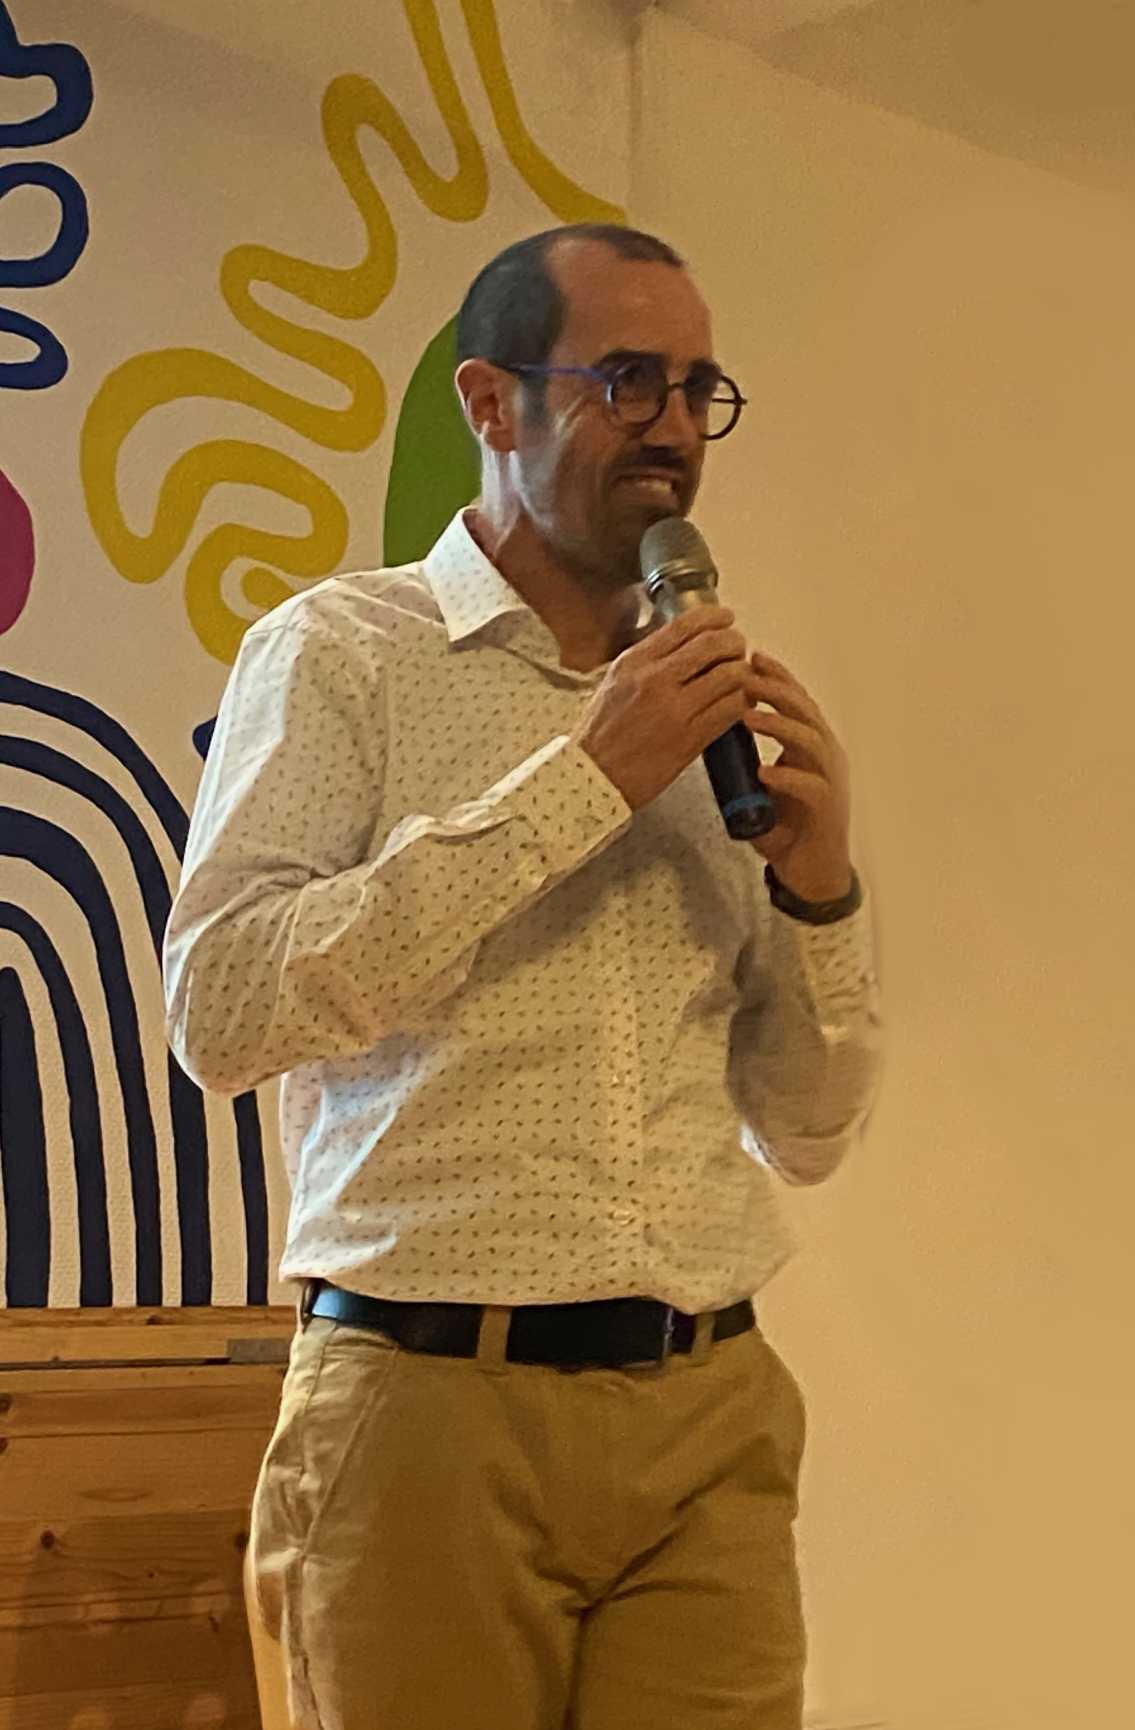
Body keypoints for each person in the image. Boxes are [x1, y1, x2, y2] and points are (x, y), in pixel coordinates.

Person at [163, 223, 885, 1730]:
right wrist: (579, 783)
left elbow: (808, 1129)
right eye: (627, 380)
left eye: (697, 388)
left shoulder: (716, 704)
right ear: (490, 403)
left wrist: (820, 893)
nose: (673, 427)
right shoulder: (341, 653)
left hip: (708, 1411)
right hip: (431, 1407)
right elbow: (222, 1011)